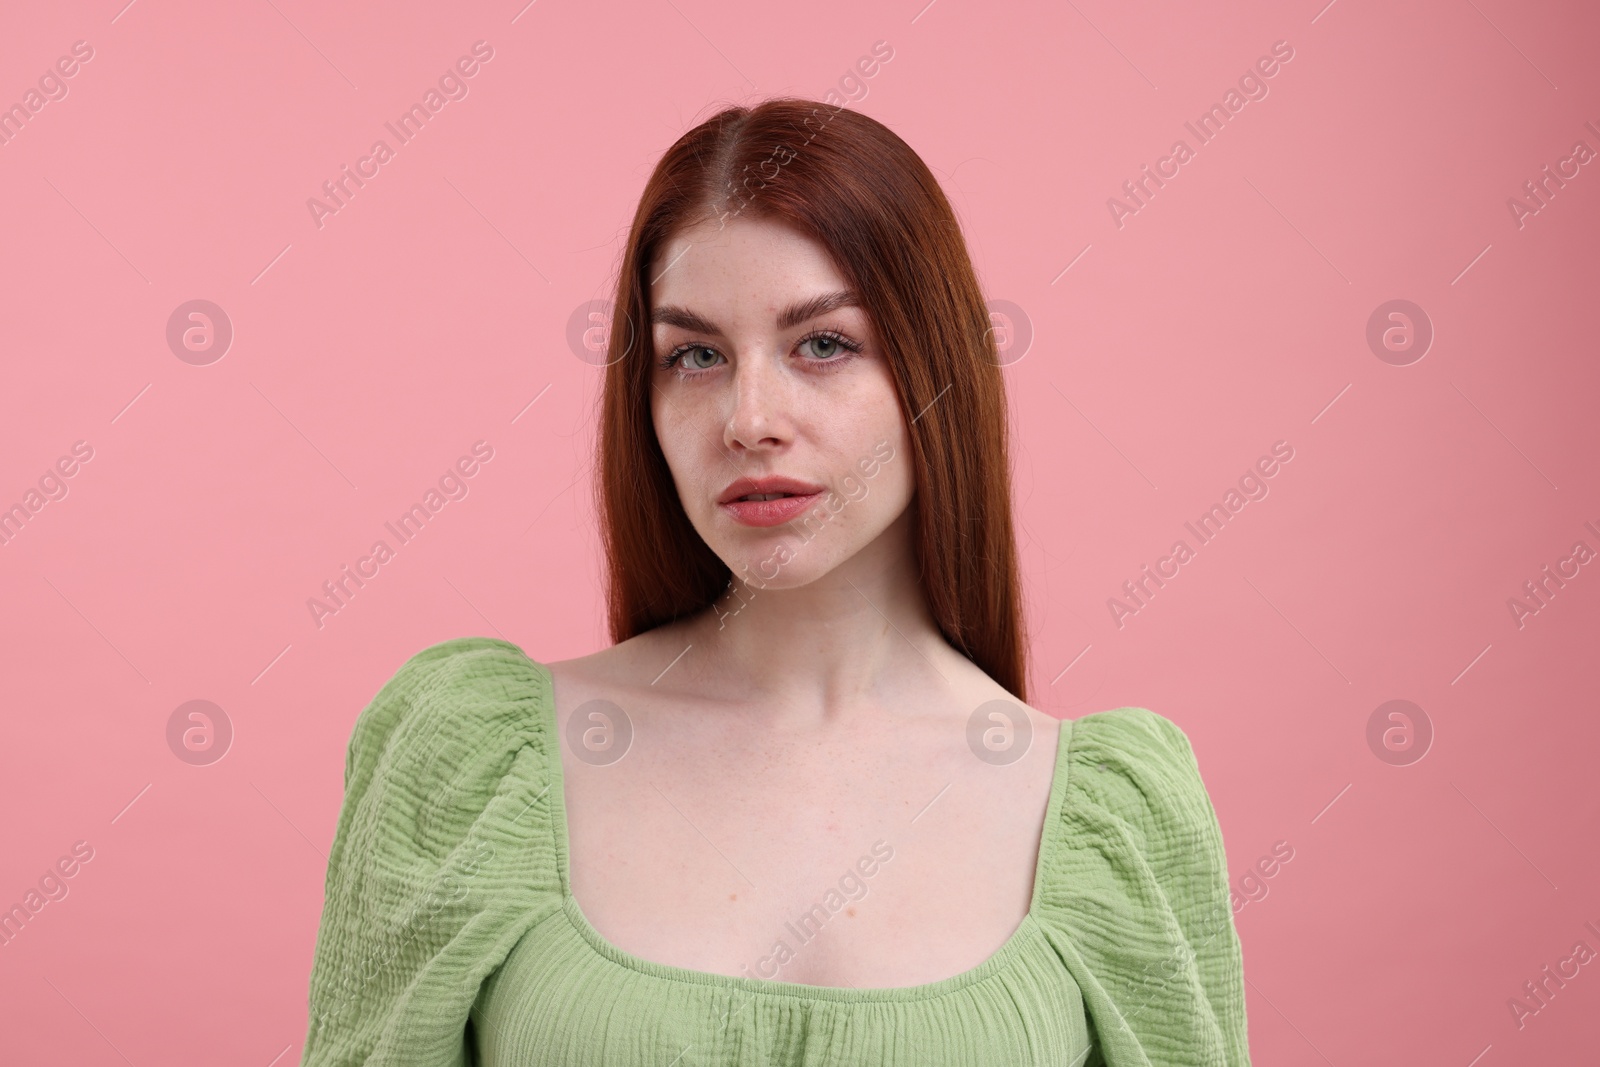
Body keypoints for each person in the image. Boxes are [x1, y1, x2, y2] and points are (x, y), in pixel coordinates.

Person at [297, 97, 1250, 1066]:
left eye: (823, 343)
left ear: (937, 371)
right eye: (695, 355)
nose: (748, 418)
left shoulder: (1109, 823)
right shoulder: (470, 765)